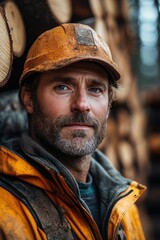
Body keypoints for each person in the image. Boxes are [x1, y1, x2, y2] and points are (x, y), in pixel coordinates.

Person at [0, 23, 146, 240]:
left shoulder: (124, 206)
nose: (81, 104)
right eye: (62, 87)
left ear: (109, 105)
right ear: (29, 99)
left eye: (95, 89)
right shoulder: (5, 208)